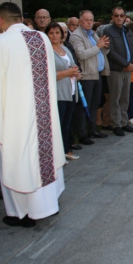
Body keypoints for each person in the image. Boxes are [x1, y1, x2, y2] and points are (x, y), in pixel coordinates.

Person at [0, 2, 66, 227]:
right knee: (42, 159)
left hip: (14, 118)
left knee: (16, 162)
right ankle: (46, 205)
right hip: (43, 116)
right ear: (20, 18)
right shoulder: (41, 39)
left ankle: (20, 213)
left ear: (1, 21)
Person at [70, 10, 110, 144]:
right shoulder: (76, 36)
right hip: (86, 75)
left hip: (97, 73)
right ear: (80, 21)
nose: (89, 22)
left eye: (91, 20)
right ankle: (81, 134)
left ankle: (92, 129)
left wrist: (105, 46)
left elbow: (102, 49)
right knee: (83, 106)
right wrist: (98, 46)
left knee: (94, 104)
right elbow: (81, 55)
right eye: (86, 20)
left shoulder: (93, 33)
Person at [46, 22, 81, 161]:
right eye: (51, 33)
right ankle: (56, 154)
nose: (54, 36)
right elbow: (49, 74)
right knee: (58, 123)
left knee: (67, 122)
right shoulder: (47, 51)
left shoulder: (65, 48)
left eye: (57, 32)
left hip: (71, 90)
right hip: (58, 93)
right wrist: (68, 72)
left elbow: (73, 65)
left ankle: (65, 149)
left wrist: (76, 72)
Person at [102, 7, 133, 137]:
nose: (119, 18)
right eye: (116, 15)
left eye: (121, 15)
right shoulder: (108, 31)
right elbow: (110, 51)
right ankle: (116, 124)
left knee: (125, 97)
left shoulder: (127, 30)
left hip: (128, 70)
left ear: (124, 16)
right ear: (112, 17)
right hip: (116, 70)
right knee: (115, 98)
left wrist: (132, 63)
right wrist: (125, 64)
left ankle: (124, 121)